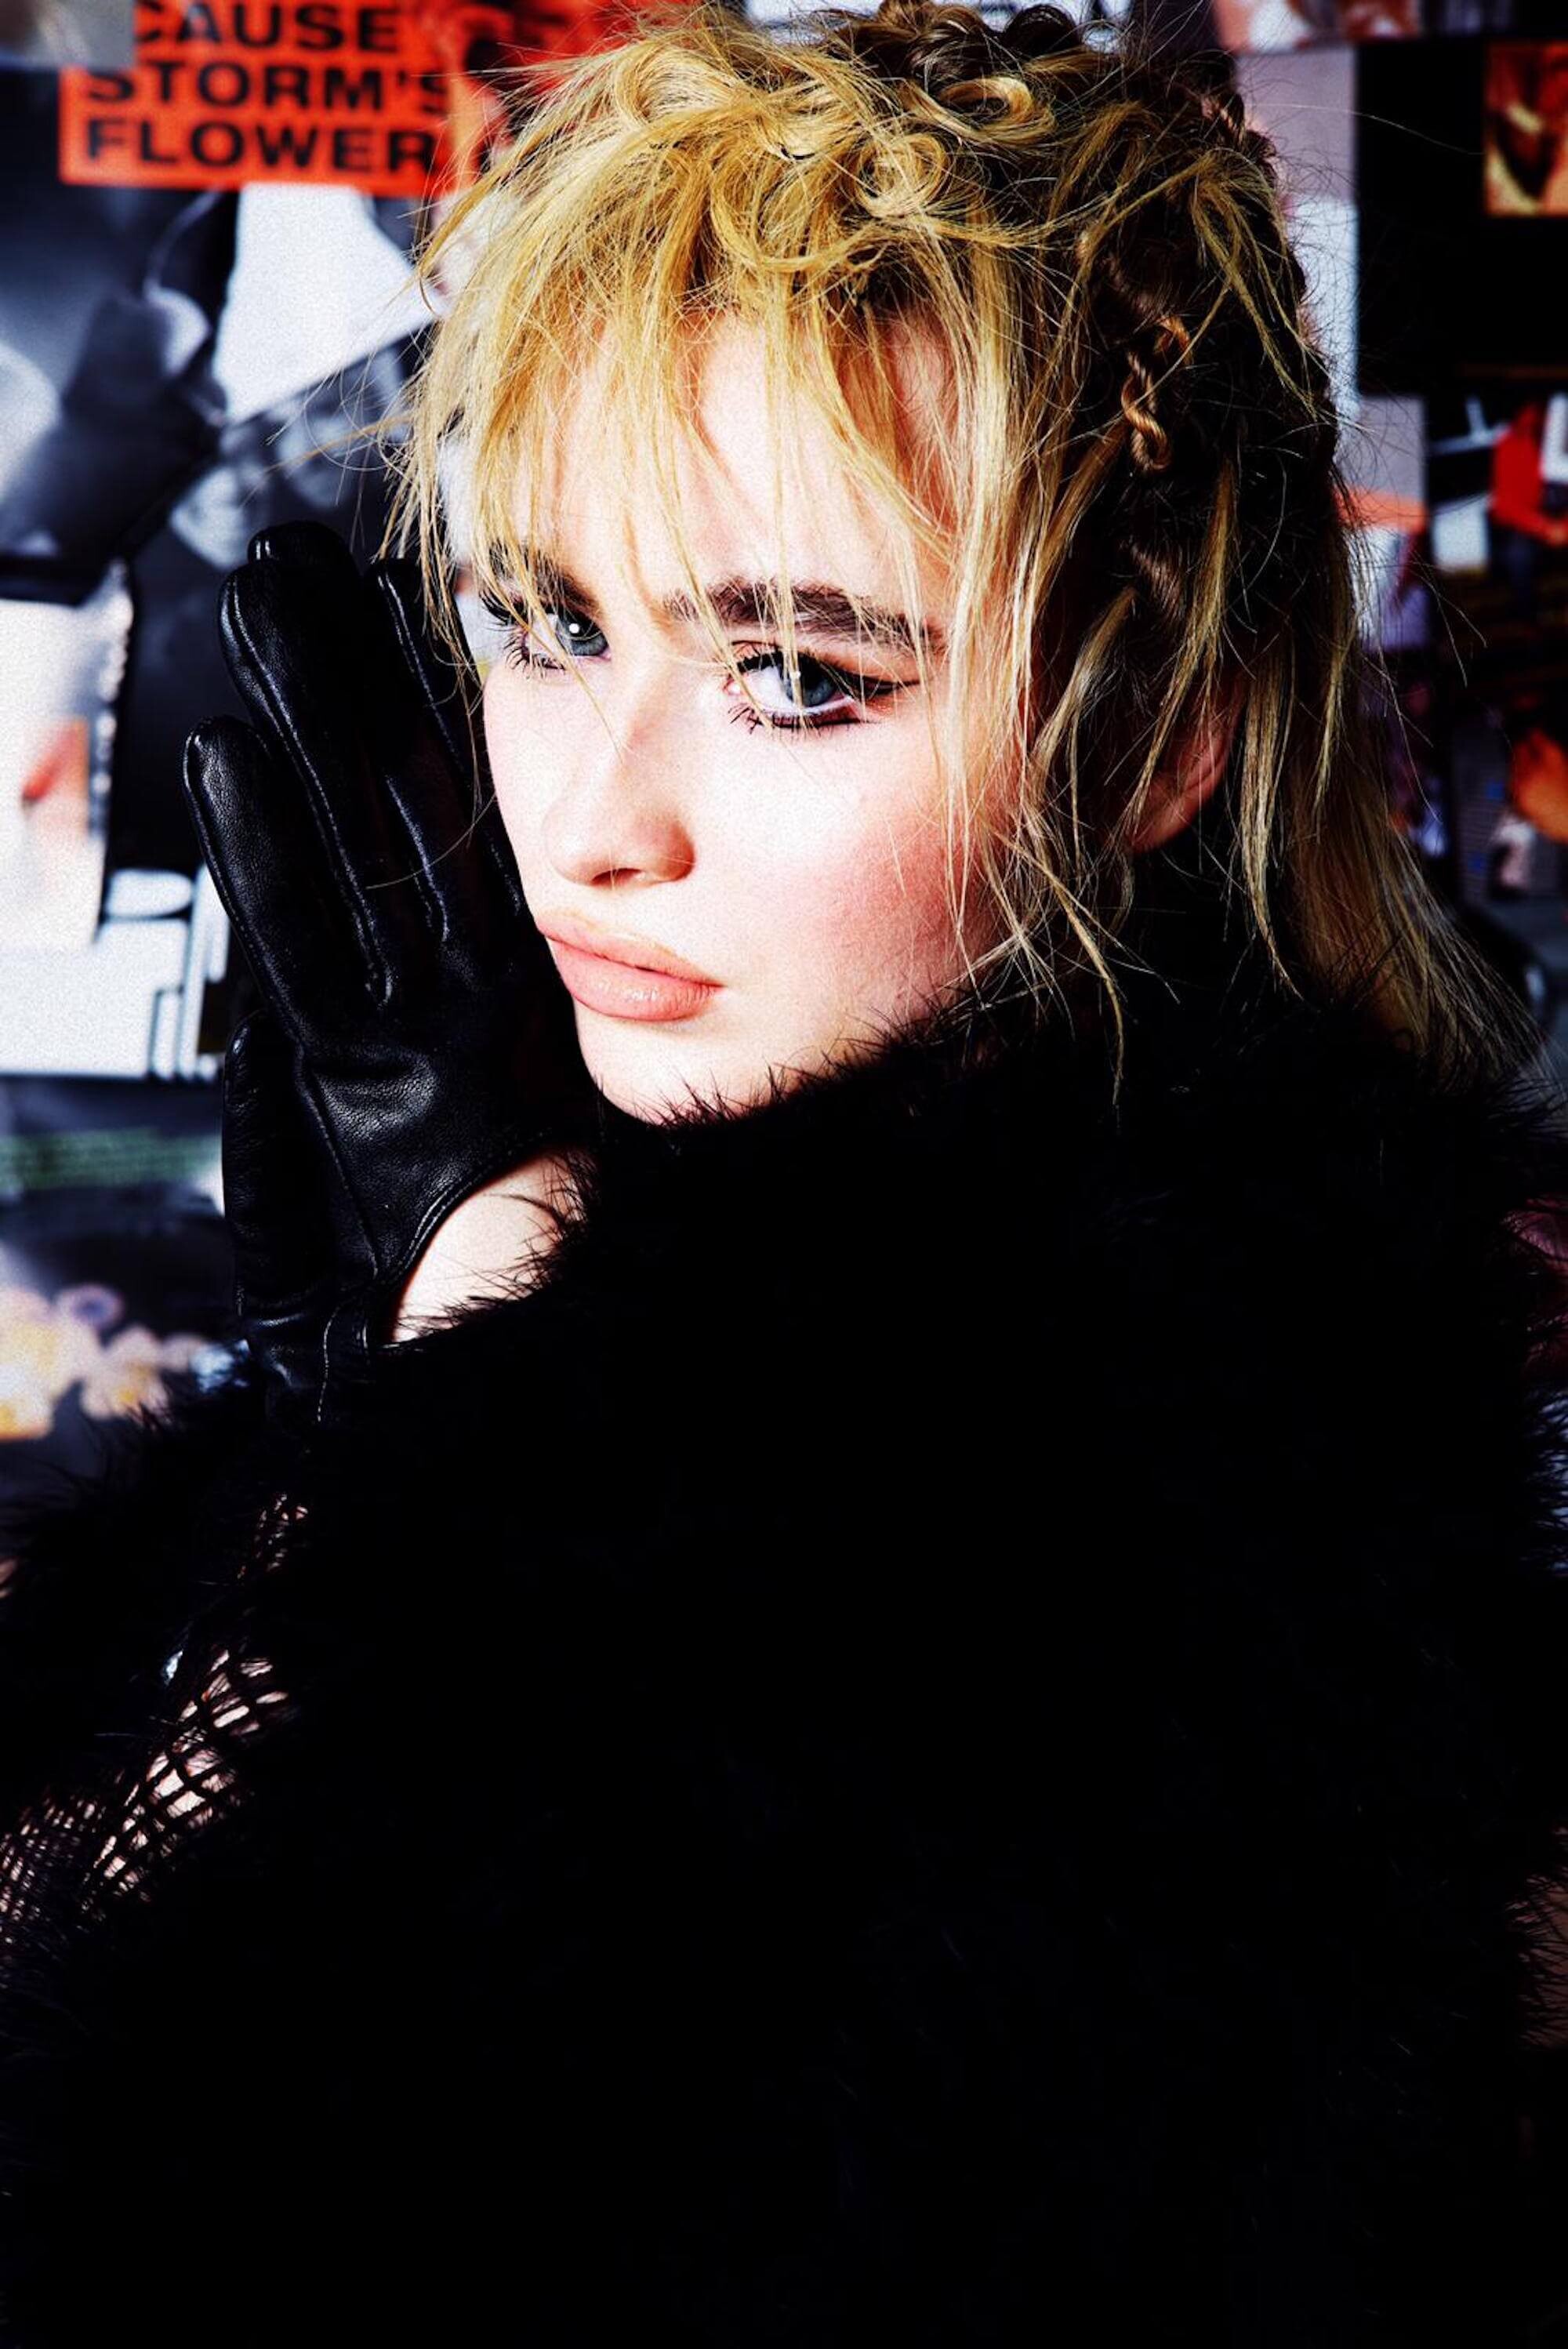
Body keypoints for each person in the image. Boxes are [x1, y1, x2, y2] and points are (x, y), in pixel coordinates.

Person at [3, 2, 1568, 2339]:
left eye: (803, 675)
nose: (596, 819)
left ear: (1153, 740)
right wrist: (442, 1387)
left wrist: (457, 1414)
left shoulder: (1188, 1518)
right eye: (548, 622)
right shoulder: (666, 1311)